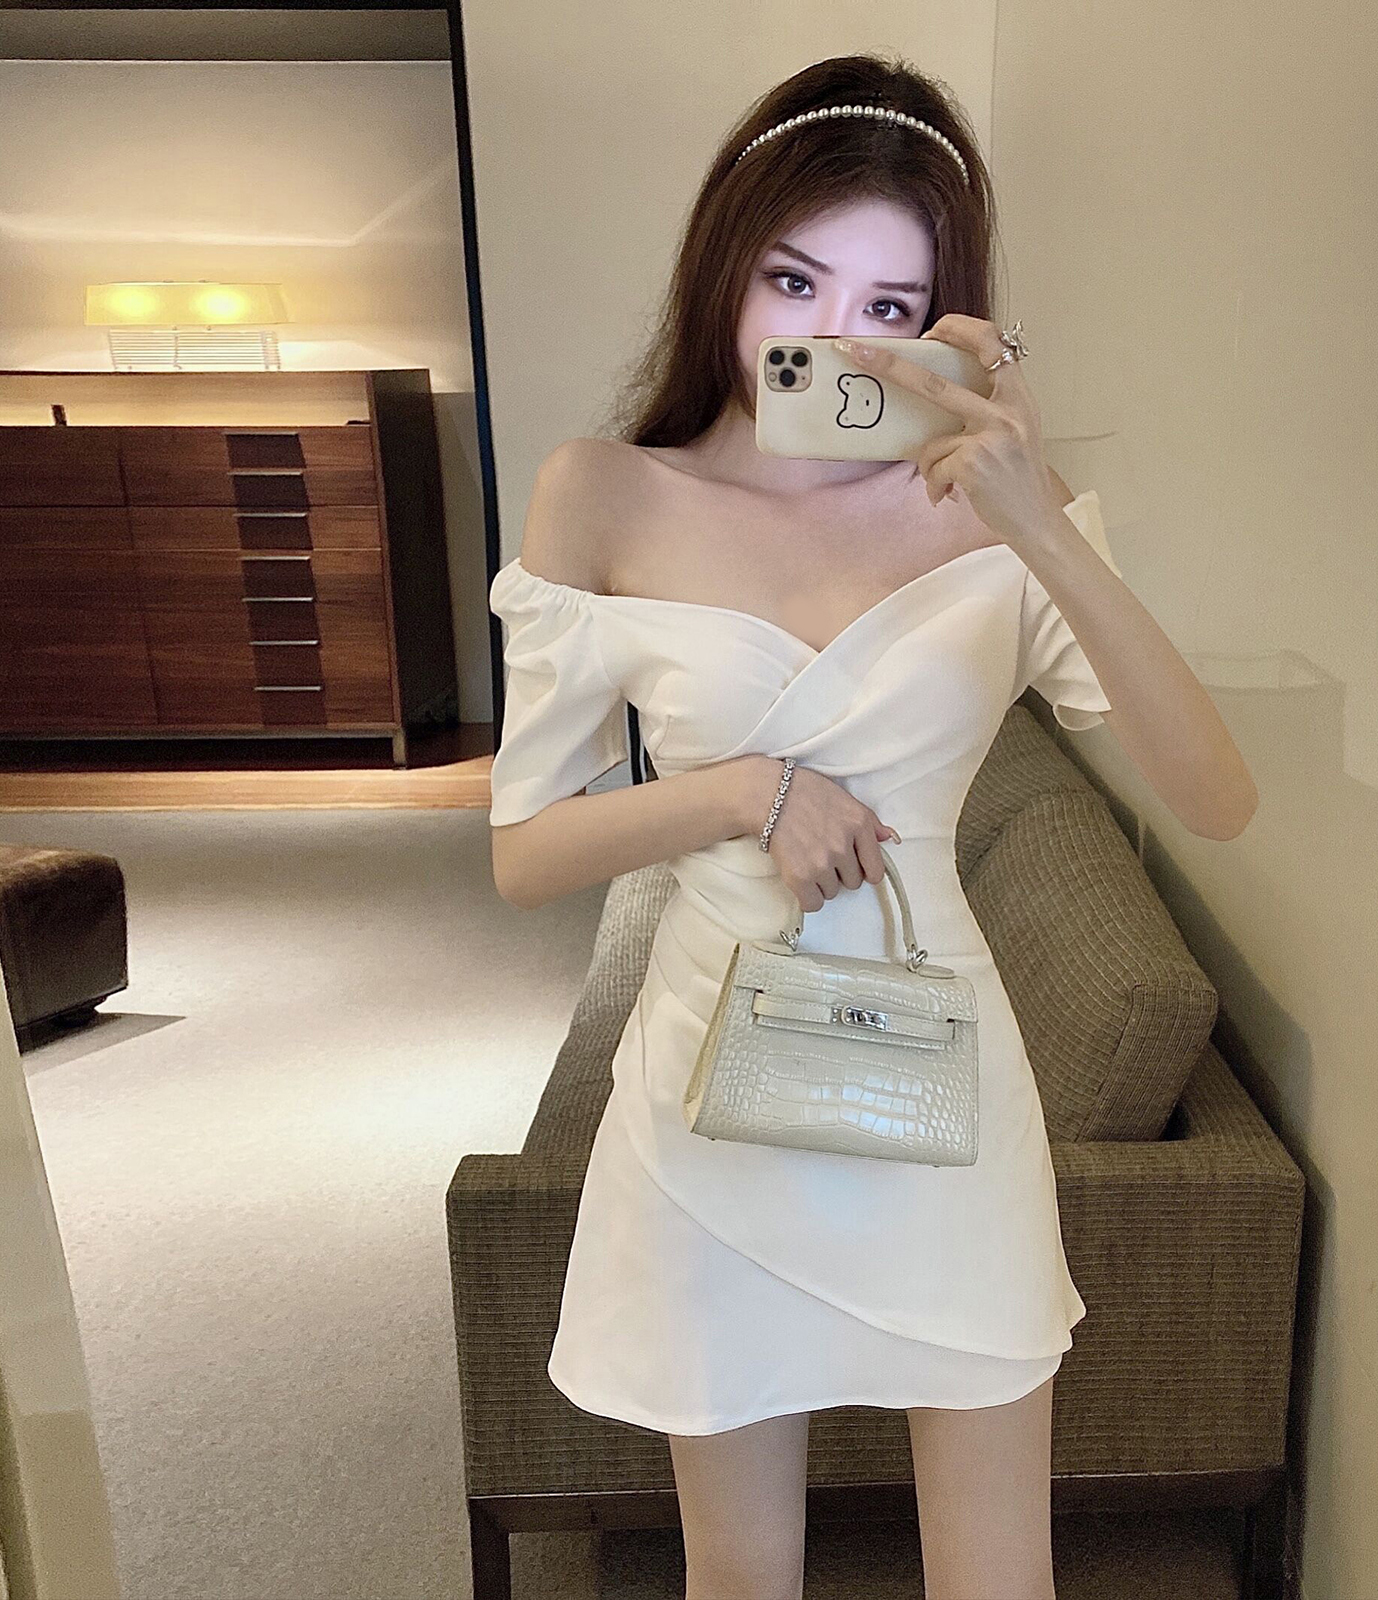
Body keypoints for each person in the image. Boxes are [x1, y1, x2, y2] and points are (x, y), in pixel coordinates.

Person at [487, 52, 1257, 1600]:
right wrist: (740, 793)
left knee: (998, 1577)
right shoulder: (606, 493)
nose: (832, 340)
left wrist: (1038, 522)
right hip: (708, 1087)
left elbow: (1216, 797)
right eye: (794, 279)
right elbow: (524, 855)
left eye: (889, 305)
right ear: (725, 264)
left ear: (946, 322)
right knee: (739, 1573)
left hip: (942, 1091)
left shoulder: (988, 509)